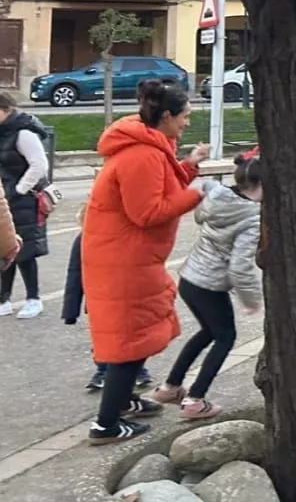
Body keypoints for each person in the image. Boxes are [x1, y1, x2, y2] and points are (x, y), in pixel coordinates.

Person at [83, 80, 208, 444]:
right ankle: (106, 423)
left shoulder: (150, 147)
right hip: (123, 260)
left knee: (138, 333)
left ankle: (123, 402)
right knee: (128, 340)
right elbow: (148, 211)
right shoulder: (142, 154)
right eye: (184, 116)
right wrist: (196, 194)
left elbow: (159, 186)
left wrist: (189, 168)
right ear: (167, 116)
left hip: (129, 256)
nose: (187, 123)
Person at [152, 152, 262, 420]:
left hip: (190, 278)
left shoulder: (218, 197)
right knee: (225, 337)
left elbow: (209, 186)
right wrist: (251, 300)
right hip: (211, 285)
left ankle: (171, 386)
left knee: (208, 332)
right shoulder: (252, 218)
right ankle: (195, 400)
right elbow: (239, 266)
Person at [62, 223, 154, 392]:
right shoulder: (84, 239)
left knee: (130, 337)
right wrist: (70, 310)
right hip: (100, 301)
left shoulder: (126, 235)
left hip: (125, 298)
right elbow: (75, 272)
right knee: (104, 340)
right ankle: (103, 370)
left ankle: (136, 370)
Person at [0, 92, 52, 318]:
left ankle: (33, 298)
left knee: (26, 250)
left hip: (23, 200)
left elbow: (39, 164)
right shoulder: (3, 132)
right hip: (6, 197)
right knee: (5, 248)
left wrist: (20, 189)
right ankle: (4, 298)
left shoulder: (23, 133)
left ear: (5, 109)